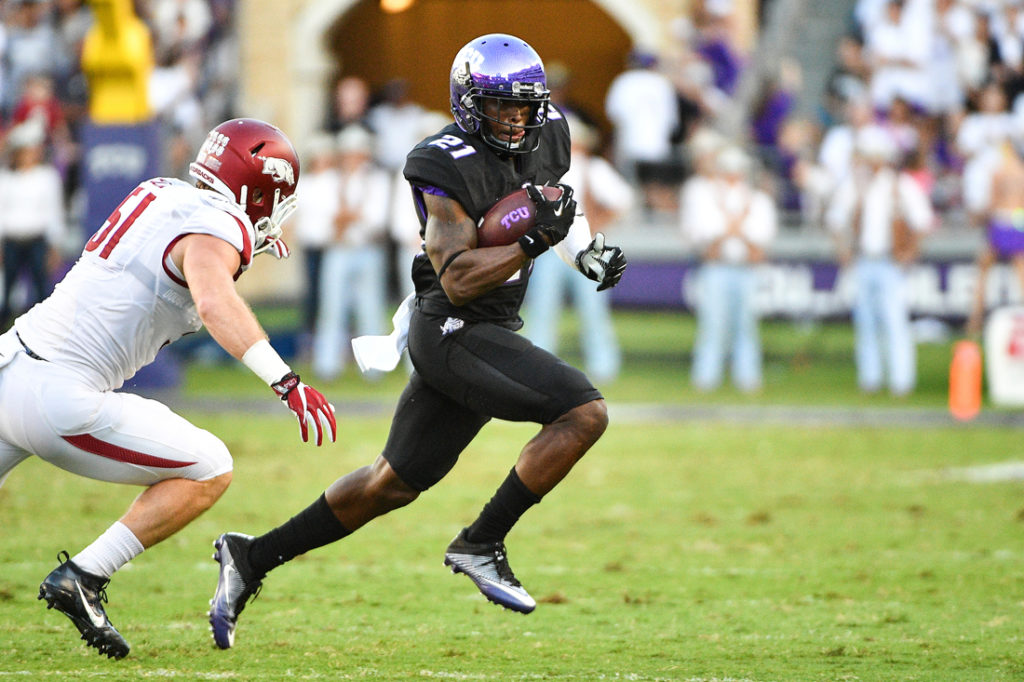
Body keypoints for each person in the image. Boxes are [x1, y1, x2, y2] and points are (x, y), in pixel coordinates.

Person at [206, 33, 627, 650]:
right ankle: (482, 542)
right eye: (500, 106)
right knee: (583, 411)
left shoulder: (550, 131)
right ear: (467, 104)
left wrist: (582, 250)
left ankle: (250, 558)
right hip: (453, 328)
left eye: (524, 106)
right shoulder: (441, 161)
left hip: (488, 328)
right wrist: (534, 243)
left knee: (390, 484)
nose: (515, 118)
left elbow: (554, 203)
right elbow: (457, 280)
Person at [0, 118, 336, 659]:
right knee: (210, 467)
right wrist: (286, 379)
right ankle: (84, 575)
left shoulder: (159, 192)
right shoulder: (216, 225)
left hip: (10, 363)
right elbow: (213, 301)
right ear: (256, 190)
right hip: (57, 396)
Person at [826, 125, 934, 396]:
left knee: (894, 321)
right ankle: (870, 379)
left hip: (890, 262)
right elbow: (835, 220)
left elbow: (922, 221)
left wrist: (910, 253)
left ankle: (901, 381)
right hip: (865, 261)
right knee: (866, 322)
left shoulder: (900, 185)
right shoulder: (855, 184)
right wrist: (844, 251)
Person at [524, 115, 634, 383]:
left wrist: (598, 222)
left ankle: (603, 364)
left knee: (592, 308)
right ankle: (539, 363)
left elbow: (624, 200)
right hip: (550, 248)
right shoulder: (544, 167)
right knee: (542, 308)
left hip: (584, 246)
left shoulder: (592, 167)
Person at [681, 145, 777, 393]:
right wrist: (735, 227)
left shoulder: (757, 199)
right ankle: (706, 378)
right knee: (712, 324)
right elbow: (704, 238)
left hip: (745, 269)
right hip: (717, 267)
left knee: (746, 325)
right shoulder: (706, 197)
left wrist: (731, 229)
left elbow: (761, 242)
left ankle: (747, 378)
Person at [310, 124, 391, 381]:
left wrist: (345, 217)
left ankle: (374, 369)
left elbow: (376, 220)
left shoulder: (378, 179)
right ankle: (327, 366)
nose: (353, 156)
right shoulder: (331, 179)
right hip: (339, 249)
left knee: (370, 308)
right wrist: (351, 217)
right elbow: (323, 217)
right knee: (332, 308)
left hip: (367, 249)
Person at [0, 119, 65, 329]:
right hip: (11, 241)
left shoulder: (47, 177)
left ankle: (41, 333)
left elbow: (53, 211)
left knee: (41, 291)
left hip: (37, 240)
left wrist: (55, 244)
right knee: (7, 291)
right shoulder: (6, 178)